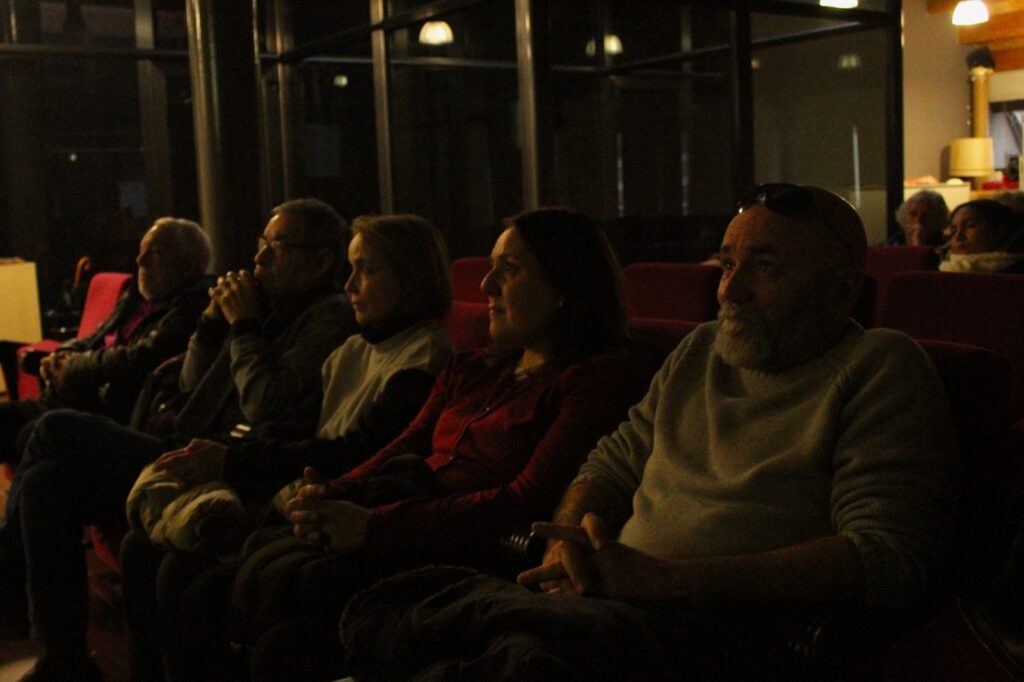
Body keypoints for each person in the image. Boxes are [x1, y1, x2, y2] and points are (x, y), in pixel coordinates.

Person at [338, 185, 958, 681]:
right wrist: (565, 547)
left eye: (763, 269)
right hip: (611, 601)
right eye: (728, 262)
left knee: (494, 646)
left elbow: (886, 558)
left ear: (841, 287)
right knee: (391, 607)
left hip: (718, 627)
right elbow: (608, 465)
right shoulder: (703, 348)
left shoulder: (880, 366)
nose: (729, 291)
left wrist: (668, 579)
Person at [167, 207, 646, 682]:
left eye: (510, 270)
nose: (485, 286)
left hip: (457, 548)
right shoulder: (475, 369)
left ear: (565, 288)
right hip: (396, 515)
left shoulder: (594, 379)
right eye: (491, 267)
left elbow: (525, 499)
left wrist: (374, 526)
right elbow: (402, 445)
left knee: (272, 634)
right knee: (204, 587)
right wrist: (331, 493)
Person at [0, 198, 357, 682]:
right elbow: (192, 383)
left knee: (54, 427)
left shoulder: (328, 316)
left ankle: (4, 594)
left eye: (277, 247)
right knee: (45, 480)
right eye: (261, 246)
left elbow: (265, 403)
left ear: (321, 260)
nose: (259, 260)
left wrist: (246, 326)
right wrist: (211, 327)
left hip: (218, 471)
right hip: (182, 449)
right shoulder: (264, 305)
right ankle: (65, 661)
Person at [118, 214, 454, 681]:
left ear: (412, 278)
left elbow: (353, 450)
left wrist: (233, 461)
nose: (350, 282)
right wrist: (218, 451)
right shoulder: (353, 349)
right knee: (139, 547)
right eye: (351, 268)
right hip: (294, 486)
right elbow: (292, 425)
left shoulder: (425, 357)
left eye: (367, 270)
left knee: (189, 582)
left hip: (329, 503)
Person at [0, 217, 213, 466]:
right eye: (141, 251)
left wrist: (71, 366)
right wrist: (59, 354)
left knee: (31, 435)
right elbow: (95, 336)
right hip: (66, 395)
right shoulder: (135, 297)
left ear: (186, 263)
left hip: (99, 407)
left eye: (154, 253)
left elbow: (138, 359)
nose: (139, 260)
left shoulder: (190, 308)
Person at [939, 199, 1024, 274]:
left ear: (997, 230)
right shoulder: (938, 269)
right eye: (953, 229)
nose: (958, 236)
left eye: (970, 226)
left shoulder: (1016, 274)